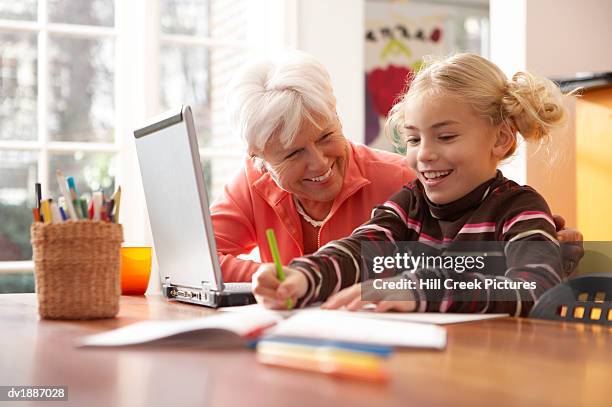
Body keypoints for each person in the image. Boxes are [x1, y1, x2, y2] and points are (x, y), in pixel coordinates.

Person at [252, 53, 582, 316]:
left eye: (446, 136)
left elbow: (535, 286)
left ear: (500, 138)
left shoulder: (520, 209)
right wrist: (302, 276)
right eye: (413, 138)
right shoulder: (409, 204)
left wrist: (419, 288)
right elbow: (359, 250)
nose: (424, 154)